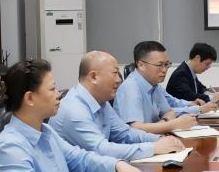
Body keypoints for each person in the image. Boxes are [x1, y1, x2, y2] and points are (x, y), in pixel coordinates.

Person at [0, 59, 153, 172]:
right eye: (52, 89)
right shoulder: (8, 146)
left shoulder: (46, 131)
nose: (58, 94)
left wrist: (117, 166)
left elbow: (80, 159)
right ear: (30, 98)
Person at [51, 51, 185, 161]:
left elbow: (125, 133)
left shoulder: (101, 101)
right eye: (115, 73)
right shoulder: (75, 109)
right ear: (94, 77)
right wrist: (154, 147)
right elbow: (101, 149)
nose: (119, 80)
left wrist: (159, 139)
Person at [113, 40, 218, 134]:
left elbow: (169, 112)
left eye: (167, 64)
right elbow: (135, 129)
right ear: (141, 65)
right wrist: (172, 124)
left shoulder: (154, 84)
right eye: (159, 65)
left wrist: (165, 122)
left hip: (156, 137)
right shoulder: (131, 88)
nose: (164, 70)